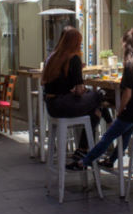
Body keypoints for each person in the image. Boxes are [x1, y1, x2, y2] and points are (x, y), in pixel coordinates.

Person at [68, 28, 133, 171]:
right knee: (126, 129)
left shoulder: (131, 65)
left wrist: (120, 110)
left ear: (126, 46)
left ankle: (84, 162)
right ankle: (112, 159)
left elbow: (127, 93)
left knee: (108, 136)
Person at [42, 26, 106, 162]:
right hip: (64, 105)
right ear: (75, 43)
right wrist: (81, 88)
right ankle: (85, 147)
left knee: (94, 111)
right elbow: (79, 90)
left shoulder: (52, 58)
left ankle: (83, 149)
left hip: (51, 106)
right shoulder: (74, 59)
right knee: (99, 95)